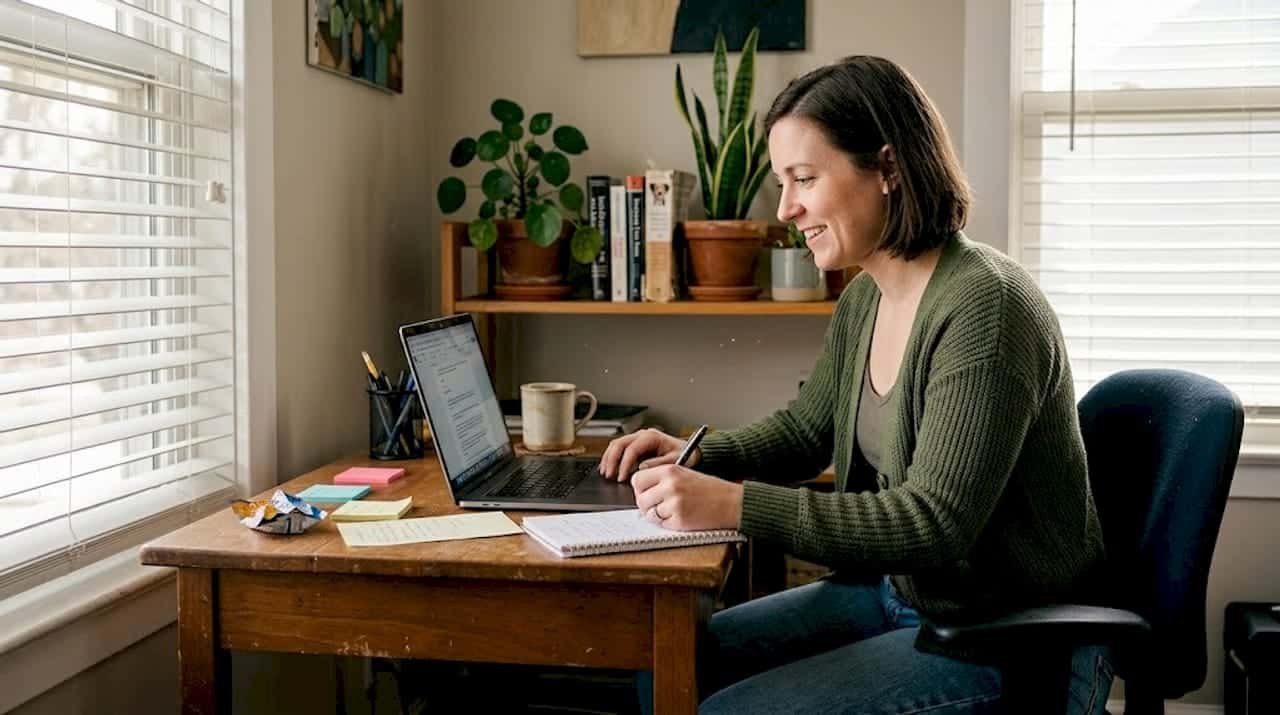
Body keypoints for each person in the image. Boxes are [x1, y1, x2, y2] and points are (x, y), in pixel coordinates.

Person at [598, 55, 1111, 714]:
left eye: (805, 178)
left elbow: (935, 522)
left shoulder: (987, 308)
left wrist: (731, 504)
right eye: (784, 182)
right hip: (901, 597)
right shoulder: (865, 298)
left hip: (1002, 642)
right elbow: (807, 431)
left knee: (730, 710)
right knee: (665, 661)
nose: (787, 208)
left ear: (889, 169)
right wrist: (693, 454)